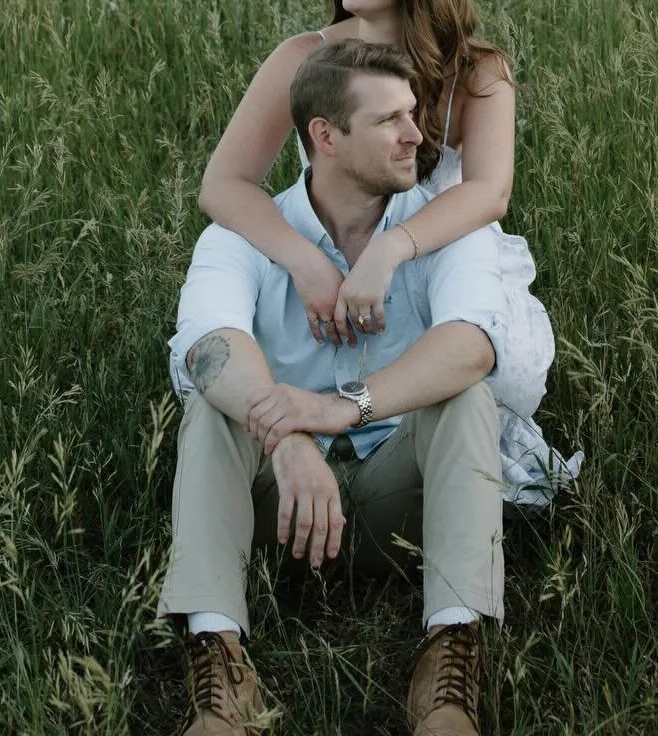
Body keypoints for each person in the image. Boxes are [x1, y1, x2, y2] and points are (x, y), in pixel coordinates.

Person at [161, 40, 508, 734]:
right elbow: (205, 345)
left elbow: (472, 344)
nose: (419, 133)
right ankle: (220, 664)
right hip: (277, 503)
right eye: (391, 121)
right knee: (211, 407)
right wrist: (289, 438)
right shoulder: (249, 234)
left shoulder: (436, 229)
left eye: (414, 113)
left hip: (399, 499)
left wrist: (345, 407)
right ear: (326, 137)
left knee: (466, 398)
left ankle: (449, 660)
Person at [196, 0, 579, 504]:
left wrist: (391, 251)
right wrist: (304, 259)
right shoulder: (305, 57)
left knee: (463, 370)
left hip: (438, 260)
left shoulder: (479, 72)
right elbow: (223, 183)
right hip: (330, 256)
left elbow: (489, 191)